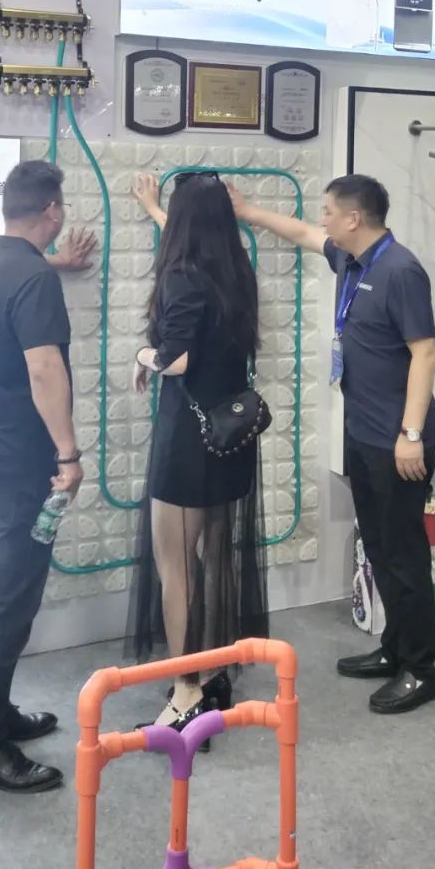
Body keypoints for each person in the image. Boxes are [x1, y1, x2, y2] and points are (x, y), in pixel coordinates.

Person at [229, 174, 435, 716]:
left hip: (398, 438)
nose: (322, 218)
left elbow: (425, 354)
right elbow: (303, 234)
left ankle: (421, 669)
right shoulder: (351, 259)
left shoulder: (400, 270)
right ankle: (395, 648)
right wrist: (248, 212)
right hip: (364, 432)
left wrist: (411, 434)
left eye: (328, 211)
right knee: (379, 545)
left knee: (403, 553)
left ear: (354, 218)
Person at [0, 160, 95, 795]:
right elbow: (44, 370)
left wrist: (54, 265)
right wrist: (68, 455)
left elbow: (13, 293)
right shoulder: (32, 279)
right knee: (8, 610)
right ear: (52, 210)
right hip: (19, 472)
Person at [130, 171, 268, 728]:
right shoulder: (235, 271)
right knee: (215, 560)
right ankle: (213, 675)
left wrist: (143, 356)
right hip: (229, 438)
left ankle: (185, 691)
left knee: (176, 569)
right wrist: (154, 210)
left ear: (183, 222)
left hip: (188, 443)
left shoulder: (183, 276)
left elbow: (176, 358)